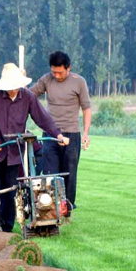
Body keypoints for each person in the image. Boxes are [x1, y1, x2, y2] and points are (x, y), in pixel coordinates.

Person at [0, 63, 67, 232]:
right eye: (10, 87)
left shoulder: (28, 97)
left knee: (11, 188)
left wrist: (58, 135)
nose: (12, 90)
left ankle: (6, 226)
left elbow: (43, 118)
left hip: (14, 150)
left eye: (15, 87)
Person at [30, 51, 92, 216]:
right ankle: (49, 210)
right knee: (50, 174)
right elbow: (29, 95)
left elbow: (86, 108)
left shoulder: (79, 82)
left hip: (72, 135)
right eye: (53, 72)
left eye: (60, 72)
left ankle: (67, 211)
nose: (56, 75)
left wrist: (85, 133)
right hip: (50, 134)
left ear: (68, 68)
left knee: (69, 174)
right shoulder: (46, 80)